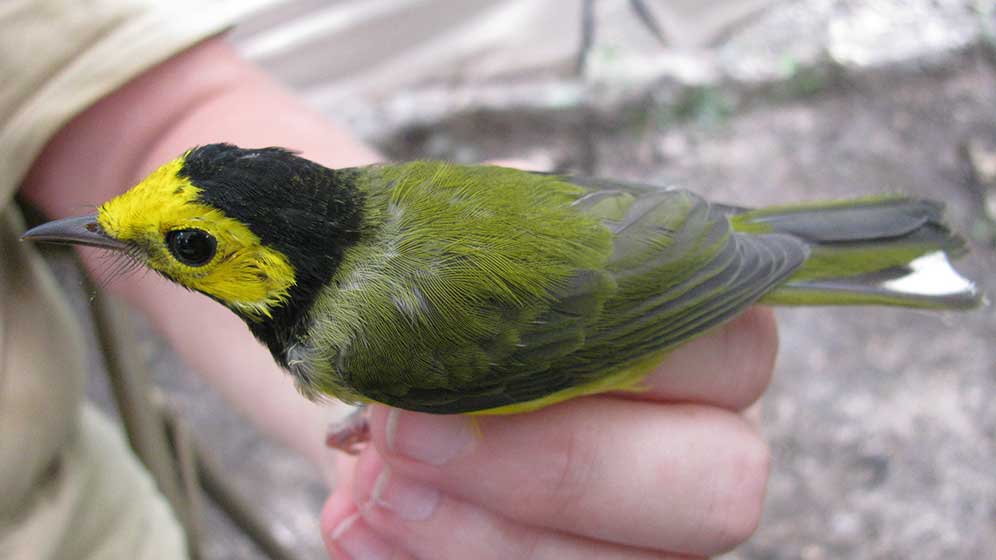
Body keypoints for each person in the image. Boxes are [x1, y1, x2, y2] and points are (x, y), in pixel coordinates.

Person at [2, 1, 776, 558]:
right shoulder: (365, 202)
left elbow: (136, 119)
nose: (97, 232)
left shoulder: (351, 345)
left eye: (192, 245)